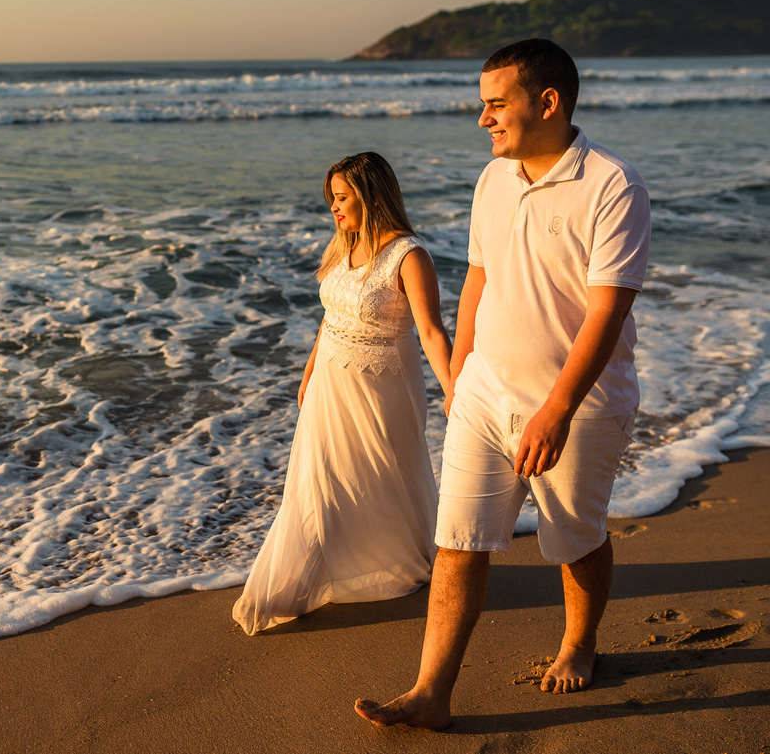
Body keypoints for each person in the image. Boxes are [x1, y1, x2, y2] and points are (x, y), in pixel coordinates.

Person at [355, 39, 652, 730]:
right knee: (459, 536)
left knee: (575, 537)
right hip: (485, 391)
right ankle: (431, 690)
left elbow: (609, 310)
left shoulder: (613, 184)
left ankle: (579, 641)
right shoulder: (493, 180)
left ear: (546, 102)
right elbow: (479, 279)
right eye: (481, 104)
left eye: (496, 104)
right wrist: (460, 370)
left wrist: (556, 409)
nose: (482, 119)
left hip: (577, 403)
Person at [232, 151, 452, 635]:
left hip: (383, 386)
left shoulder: (408, 255)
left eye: (342, 197)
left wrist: (457, 394)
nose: (333, 207)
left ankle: (396, 559)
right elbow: (331, 316)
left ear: (371, 196)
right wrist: (309, 371)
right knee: (321, 480)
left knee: (383, 476)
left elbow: (432, 333)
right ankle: (309, 573)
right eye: (331, 198)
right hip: (331, 379)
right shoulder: (343, 247)